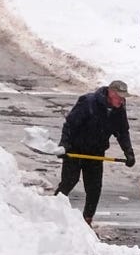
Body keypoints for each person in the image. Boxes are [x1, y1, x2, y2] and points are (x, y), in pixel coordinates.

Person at [55, 80, 135, 224]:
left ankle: (87, 221)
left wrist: (129, 152)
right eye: (119, 96)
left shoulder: (119, 109)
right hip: (75, 149)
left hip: (96, 152)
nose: (122, 100)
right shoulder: (89, 102)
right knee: (69, 181)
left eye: (124, 97)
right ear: (111, 93)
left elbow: (122, 132)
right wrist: (64, 145)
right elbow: (70, 125)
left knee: (94, 188)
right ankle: (51, 210)